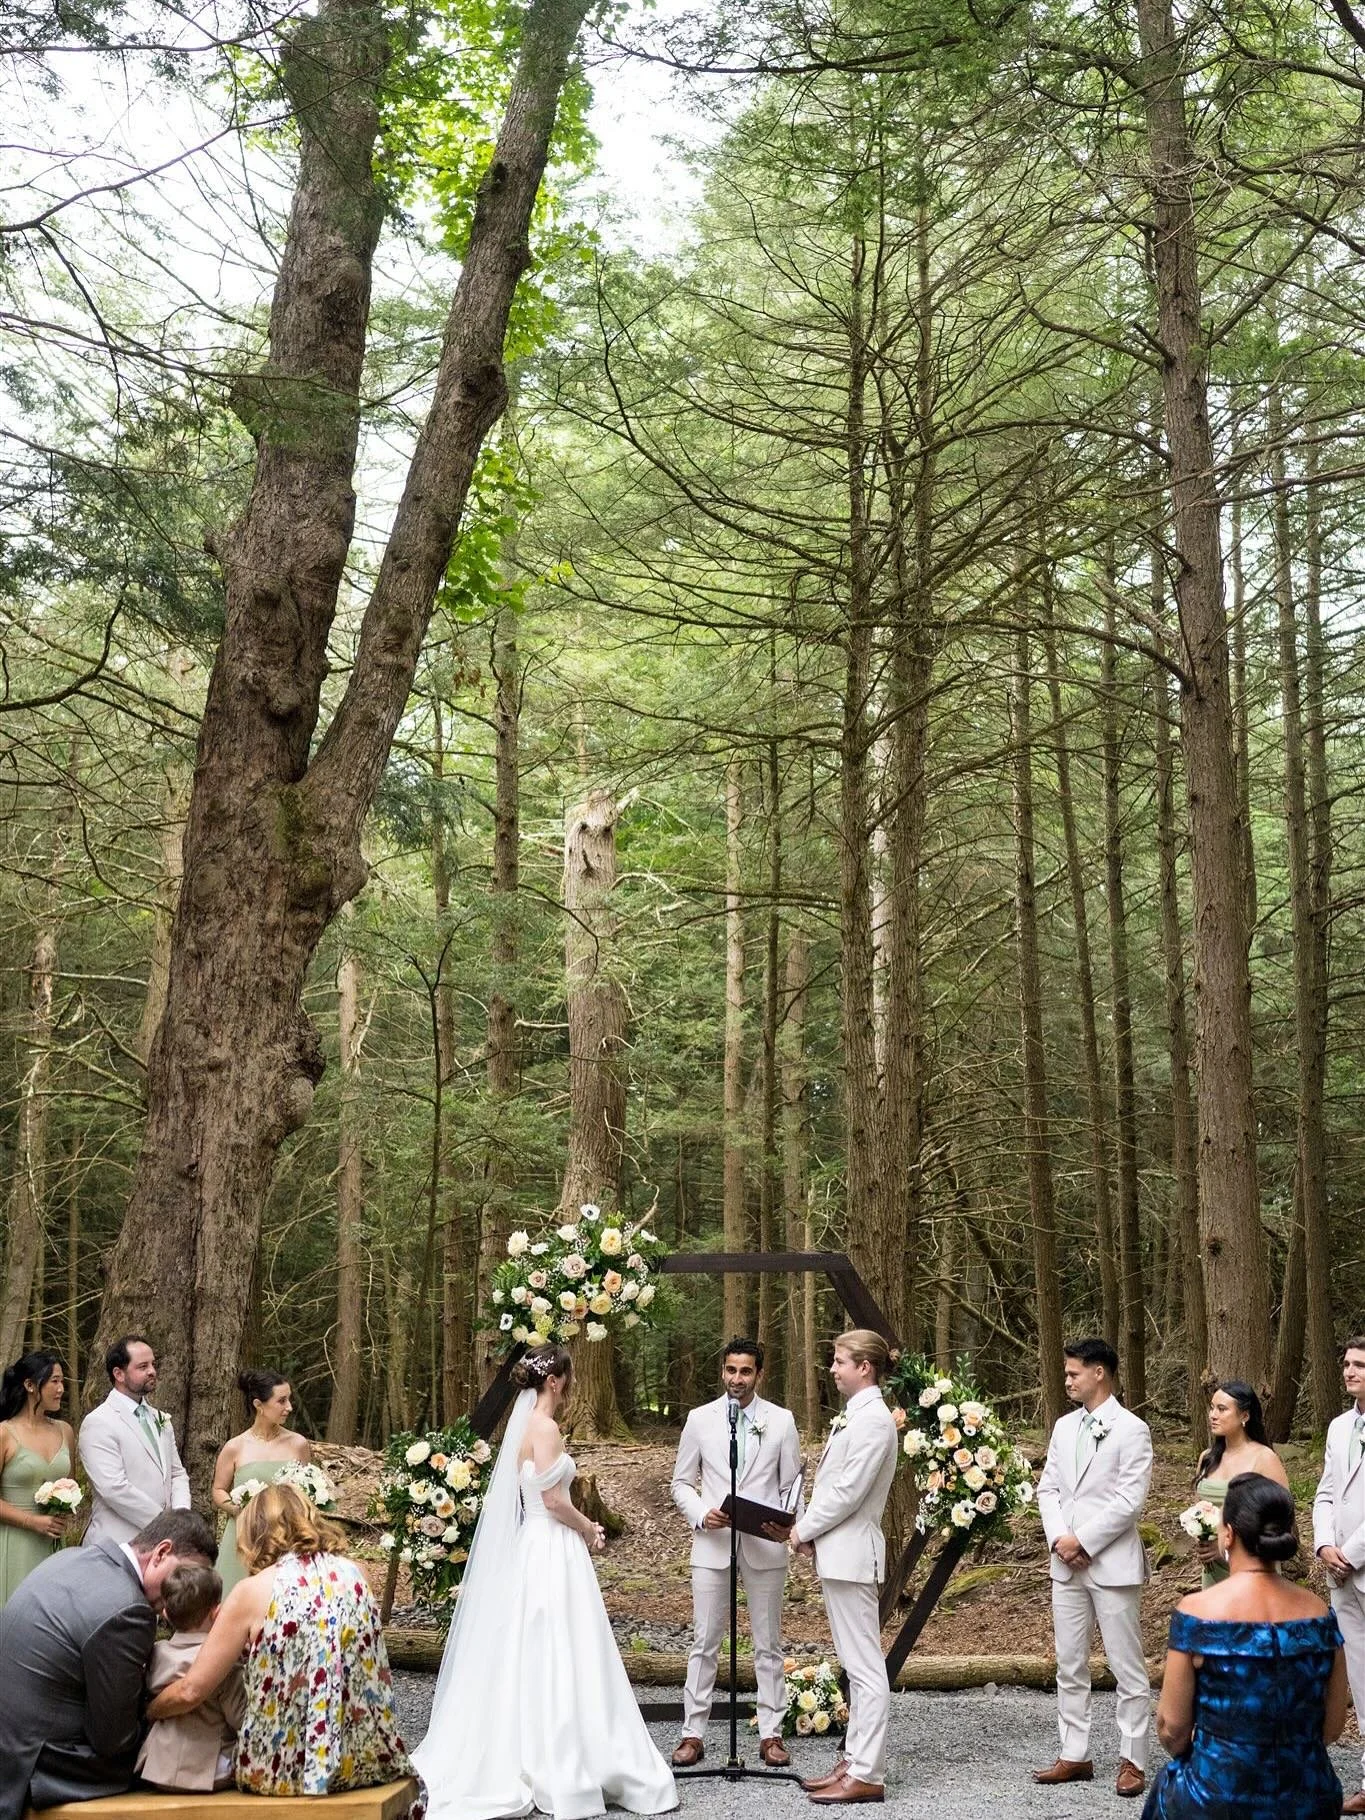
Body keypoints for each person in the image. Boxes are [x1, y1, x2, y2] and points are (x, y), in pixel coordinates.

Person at [412, 1345, 679, 1820]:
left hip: (531, 1545)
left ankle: (526, 1743)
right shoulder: (547, 1428)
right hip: (554, 1542)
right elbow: (554, 1501)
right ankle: (565, 1756)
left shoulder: (522, 1428)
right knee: (564, 1640)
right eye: (568, 1377)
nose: (572, 1384)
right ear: (555, 1381)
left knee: (533, 1639)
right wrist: (589, 1527)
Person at [144, 1482, 420, 1804]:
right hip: (365, 1758)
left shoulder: (251, 1591)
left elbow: (192, 1690)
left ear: (255, 1535)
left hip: (282, 1769)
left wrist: (149, 1711)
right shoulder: (358, 1574)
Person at [1144, 1474, 1346, 1820]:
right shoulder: (1320, 1613)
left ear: (1229, 1534)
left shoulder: (1197, 1612)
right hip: (1306, 1796)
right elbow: (1332, 1727)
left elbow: (1172, 1730)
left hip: (1216, 1797)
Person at [0, 1506, 216, 1820]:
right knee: (180, 1761)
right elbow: (113, 1740)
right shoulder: (128, 1609)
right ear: (161, 1552)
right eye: (186, 1576)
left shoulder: (73, 1558)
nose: (186, 1593)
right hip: (40, 1767)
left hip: (11, 1744)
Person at [670, 1335, 804, 1768]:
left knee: (768, 1643)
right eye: (731, 1370)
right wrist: (700, 1512)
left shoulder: (781, 1421)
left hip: (764, 1544)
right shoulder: (699, 1419)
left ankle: (771, 1734)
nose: (737, 1379)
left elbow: (791, 1485)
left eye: (746, 1371)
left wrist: (788, 1524)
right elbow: (680, 1482)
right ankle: (693, 1732)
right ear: (722, 1371)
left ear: (759, 1374)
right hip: (712, 1543)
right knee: (705, 1640)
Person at [1034, 1335, 1153, 1800]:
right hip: (1066, 1565)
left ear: (1099, 1372)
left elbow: (1130, 1501)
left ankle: (1132, 1758)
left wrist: (1083, 1540)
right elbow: (1048, 1489)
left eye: (1073, 1373)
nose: (1067, 1380)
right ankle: (1075, 1752)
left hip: (1112, 1563)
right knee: (1069, 1662)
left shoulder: (1131, 1429)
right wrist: (1060, 1540)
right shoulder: (1063, 1428)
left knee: (1127, 1666)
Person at [789, 1328, 899, 1807]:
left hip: (855, 1553)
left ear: (865, 1368)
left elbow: (848, 1492)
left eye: (839, 1361)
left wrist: (805, 1528)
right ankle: (853, 1760)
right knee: (855, 1664)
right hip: (841, 1552)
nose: (832, 1369)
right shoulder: (856, 1416)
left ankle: (867, 1772)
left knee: (867, 1668)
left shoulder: (874, 1420)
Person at [136, 1560, 246, 1792]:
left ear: (165, 1613)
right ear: (216, 1613)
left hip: (157, 1768)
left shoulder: (156, 1653)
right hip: (208, 1772)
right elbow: (240, 1718)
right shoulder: (222, 1662)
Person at [1313, 1333, 1365, 1815]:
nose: (1350, 1371)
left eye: (1360, 1365)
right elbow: (1327, 1490)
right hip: (1341, 1574)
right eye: (1347, 1363)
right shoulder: (1337, 1427)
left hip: (1362, 1561)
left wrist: (1351, 1551)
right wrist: (1325, 1544)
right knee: (1361, 1676)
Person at [78, 1335, 190, 1545]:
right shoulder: (98, 1422)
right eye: (142, 1366)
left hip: (162, 1541)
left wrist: (182, 1517)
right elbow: (113, 1488)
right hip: (117, 1543)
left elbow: (176, 1473)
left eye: (153, 1364)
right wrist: (164, 1524)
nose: (152, 1371)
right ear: (119, 1374)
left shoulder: (160, 1419)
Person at [211, 1367, 311, 1593]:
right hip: (245, 1536)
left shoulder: (298, 1445)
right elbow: (218, 1490)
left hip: (288, 1537)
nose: (289, 1407)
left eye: (290, 1400)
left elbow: (306, 1490)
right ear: (259, 1405)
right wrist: (240, 1511)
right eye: (282, 1401)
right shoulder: (235, 1447)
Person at [1191, 1381, 1287, 1587]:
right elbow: (1198, 1508)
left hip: (1254, 1567)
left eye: (1222, 1409)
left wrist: (1225, 1548)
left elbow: (1281, 1518)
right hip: (1212, 1569)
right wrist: (1201, 1536)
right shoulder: (1207, 1458)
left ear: (1245, 1415)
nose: (1212, 1415)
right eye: (1212, 1407)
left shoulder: (1264, 1458)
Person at [0, 1348, 76, 1607]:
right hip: (14, 1542)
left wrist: (65, 1507)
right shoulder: (4, 1433)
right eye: (54, 1381)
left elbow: (71, 1483)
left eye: (62, 1381)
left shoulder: (65, 1431)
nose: (61, 1388)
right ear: (30, 1385)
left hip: (53, 1543)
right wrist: (32, 1521)